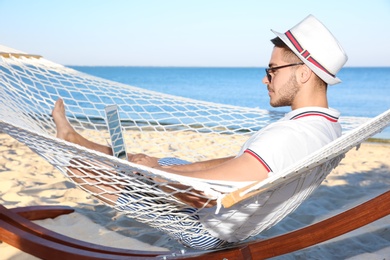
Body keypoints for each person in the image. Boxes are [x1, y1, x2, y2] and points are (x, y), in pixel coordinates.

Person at [52, 14, 348, 249]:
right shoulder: (326, 126)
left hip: (205, 227)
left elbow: (207, 194)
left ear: (303, 72)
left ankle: (70, 148)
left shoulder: (292, 136)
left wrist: (156, 177)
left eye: (272, 70)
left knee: (83, 169)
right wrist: (166, 168)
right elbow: (240, 163)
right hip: (230, 214)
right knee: (147, 160)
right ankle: (74, 138)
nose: (265, 79)